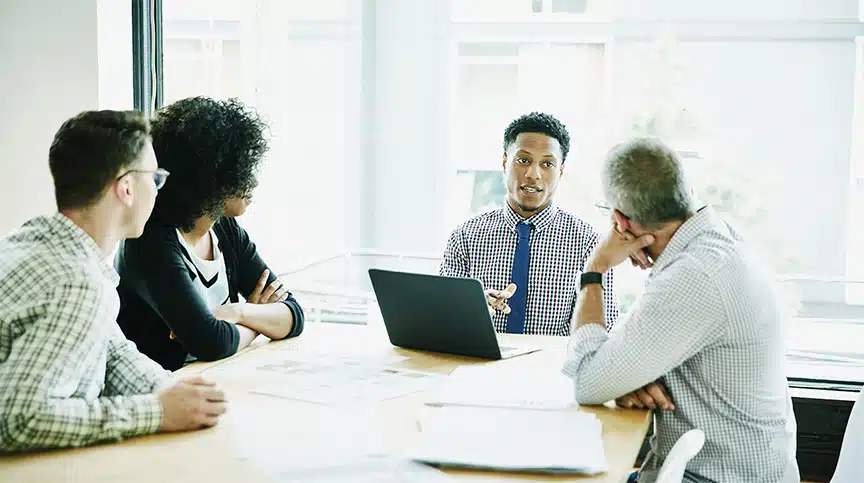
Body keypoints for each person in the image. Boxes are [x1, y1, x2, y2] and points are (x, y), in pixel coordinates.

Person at [563, 138, 799, 482]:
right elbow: (615, 359)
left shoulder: (693, 277)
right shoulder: (714, 240)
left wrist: (595, 267)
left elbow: (586, 380)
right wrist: (624, 374)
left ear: (619, 221)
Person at [0, 110, 228, 453]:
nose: (157, 191)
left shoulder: (35, 244)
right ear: (126, 188)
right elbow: (20, 421)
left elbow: (112, 350)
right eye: (155, 179)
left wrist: (168, 390)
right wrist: (156, 412)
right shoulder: (77, 283)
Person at [116, 97, 304, 371]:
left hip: (216, 380)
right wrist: (259, 322)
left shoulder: (225, 230)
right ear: (210, 178)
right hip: (163, 393)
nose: (251, 181)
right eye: (241, 169)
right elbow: (209, 341)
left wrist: (239, 312)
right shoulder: (149, 241)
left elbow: (295, 314)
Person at [440, 112, 619, 336]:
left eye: (547, 164)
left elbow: (602, 329)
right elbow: (443, 320)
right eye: (523, 160)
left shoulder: (589, 243)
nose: (533, 174)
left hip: (551, 369)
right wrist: (472, 308)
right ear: (505, 162)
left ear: (560, 171)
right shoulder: (465, 237)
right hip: (477, 366)